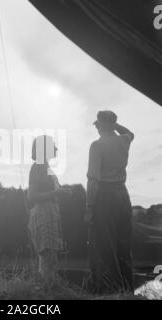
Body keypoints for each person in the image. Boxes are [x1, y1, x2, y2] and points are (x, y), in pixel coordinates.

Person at [85, 110, 134, 294]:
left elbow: (93, 180)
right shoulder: (124, 141)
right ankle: (128, 291)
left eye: (98, 124)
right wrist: (115, 125)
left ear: (103, 124)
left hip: (104, 196)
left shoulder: (96, 146)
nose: (96, 127)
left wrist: (89, 208)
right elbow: (130, 133)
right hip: (123, 195)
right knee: (124, 245)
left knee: (105, 246)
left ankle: (112, 291)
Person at [28, 135, 71, 289]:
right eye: (53, 146)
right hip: (43, 214)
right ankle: (48, 293)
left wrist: (60, 193)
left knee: (50, 257)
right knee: (47, 256)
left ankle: (47, 291)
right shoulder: (38, 166)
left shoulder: (45, 167)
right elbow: (31, 196)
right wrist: (56, 194)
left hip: (50, 213)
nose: (57, 148)